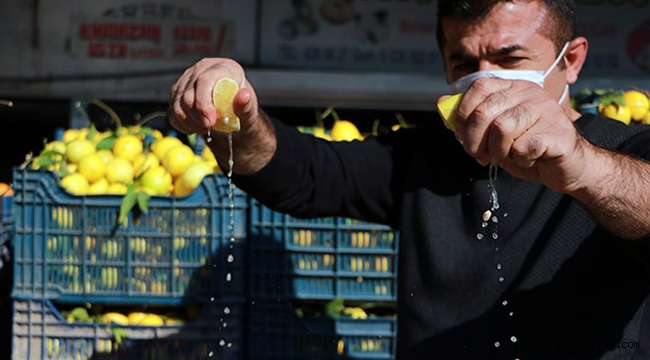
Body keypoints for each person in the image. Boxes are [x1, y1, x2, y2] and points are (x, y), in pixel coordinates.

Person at [169, 0, 650, 358]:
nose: (485, 82)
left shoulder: (625, 150)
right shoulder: (422, 157)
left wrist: (583, 166)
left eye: (510, 59)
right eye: (464, 64)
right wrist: (235, 116)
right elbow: (301, 175)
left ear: (570, 60)